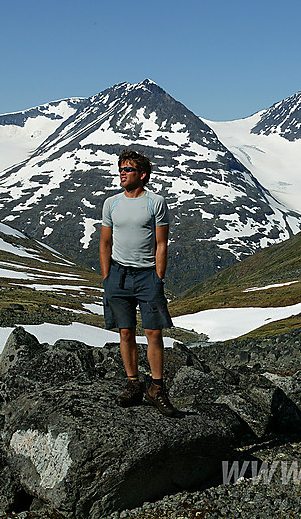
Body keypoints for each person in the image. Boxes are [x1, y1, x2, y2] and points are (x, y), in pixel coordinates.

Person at [99, 150, 178, 417]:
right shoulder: (111, 203)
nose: (122, 173)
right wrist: (107, 277)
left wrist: (158, 278)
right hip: (118, 275)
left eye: (128, 169)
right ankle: (134, 383)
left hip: (147, 276)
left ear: (142, 175)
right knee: (125, 331)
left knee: (154, 332)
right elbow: (105, 242)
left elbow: (161, 244)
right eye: (120, 169)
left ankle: (157, 387)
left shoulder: (156, 202)